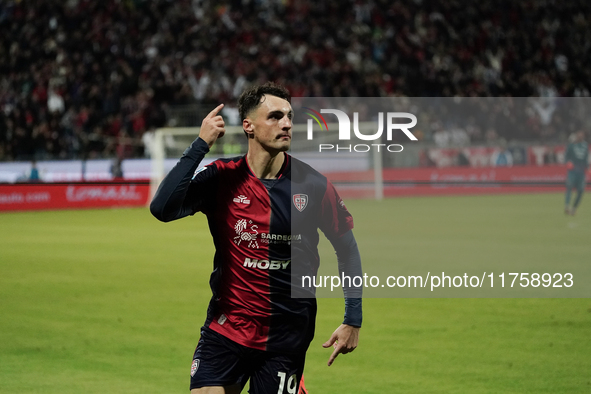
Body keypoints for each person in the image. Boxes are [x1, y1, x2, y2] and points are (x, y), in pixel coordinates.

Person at [150, 82, 362, 394]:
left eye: (289, 116)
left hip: (285, 336)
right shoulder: (223, 177)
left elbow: (348, 250)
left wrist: (352, 318)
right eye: (275, 116)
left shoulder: (313, 186)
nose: (287, 123)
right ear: (248, 125)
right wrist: (200, 145)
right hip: (227, 327)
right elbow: (162, 208)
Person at [564, 131, 589, 216]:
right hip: (573, 171)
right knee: (569, 187)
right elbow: (566, 156)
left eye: (581, 136)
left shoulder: (585, 146)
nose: (580, 137)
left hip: (581, 172)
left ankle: (574, 208)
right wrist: (568, 162)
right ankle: (567, 206)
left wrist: (588, 167)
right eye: (579, 136)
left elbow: (586, 157)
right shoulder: (571, 145)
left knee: (581, 191)